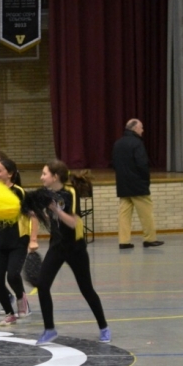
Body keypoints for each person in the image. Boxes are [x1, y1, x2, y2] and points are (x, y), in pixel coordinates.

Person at [35, 159, 110, 345]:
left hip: (75, 248)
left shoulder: (70, 193)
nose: (41, 177)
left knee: (86, 289)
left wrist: (56, 210)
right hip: (56, 246)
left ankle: (104, 327)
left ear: (55, 177)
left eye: (44, 174)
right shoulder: (46, 193)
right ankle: (49, 329)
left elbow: (73, 222)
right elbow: (45, 217)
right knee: (42, 285)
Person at [0, 158, 37, 326]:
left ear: (9, 173)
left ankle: (21, 298)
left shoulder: (19, 192)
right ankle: (10, 313)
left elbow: (33, 216)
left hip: (18, 240)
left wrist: (33, 239)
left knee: (12, 275)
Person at [112, 118, 163, 249]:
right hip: (138, 185)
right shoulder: (137, 143)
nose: (143, 130)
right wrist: (146, 181)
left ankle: (124, 241)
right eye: (141, 127)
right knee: (146, 214)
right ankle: (150, 239)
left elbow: (114, 164)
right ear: (135, 128)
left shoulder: (118, 143)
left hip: (123, 184)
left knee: (124, 214)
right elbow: (142, 164)